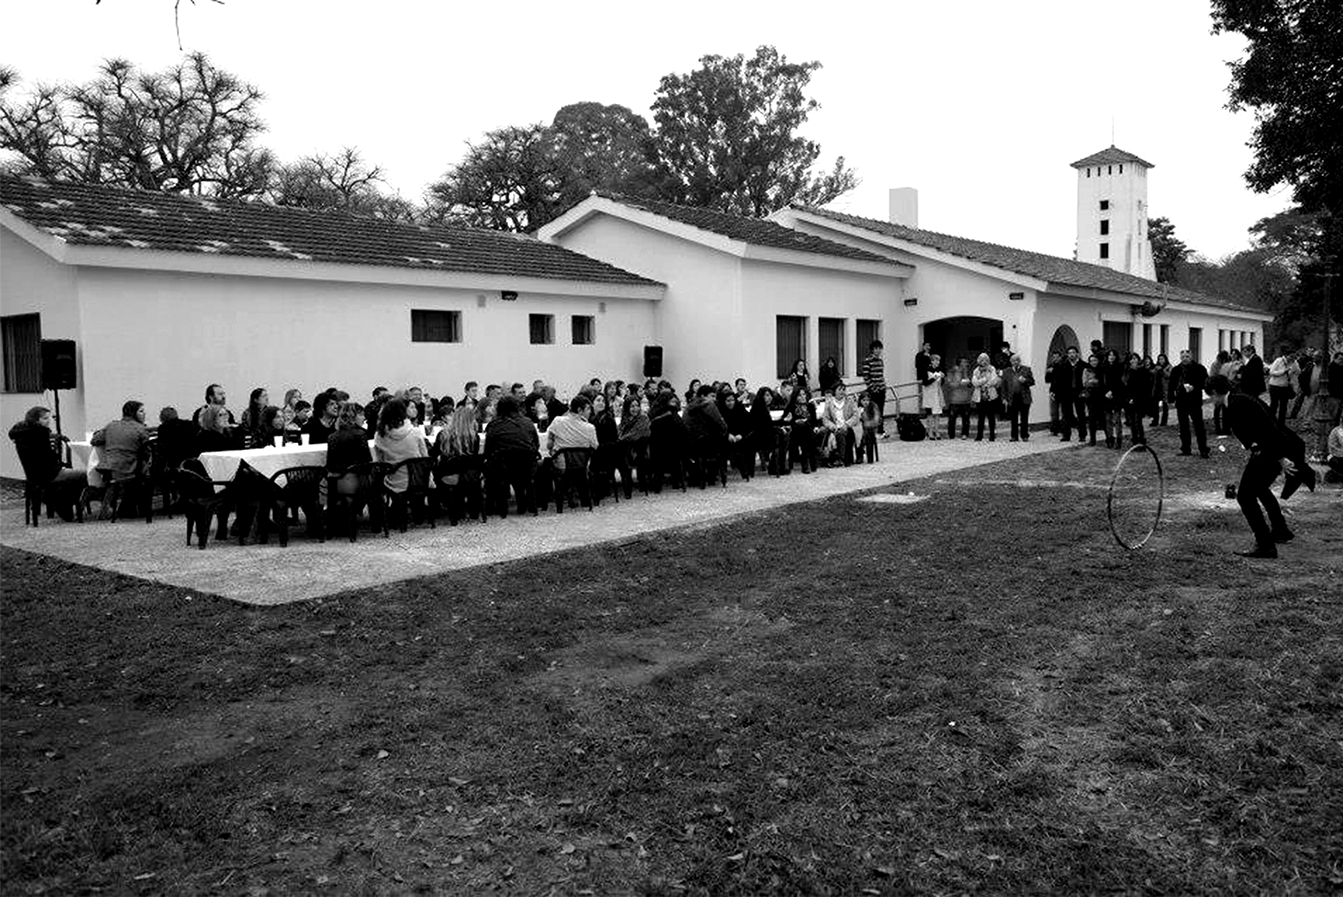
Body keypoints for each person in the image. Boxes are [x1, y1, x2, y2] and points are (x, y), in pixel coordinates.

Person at [1208, 374, 1313, 558]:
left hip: (1272, 450)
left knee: (1245, 496)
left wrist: (1280, 458)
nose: (1211, 400)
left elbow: (1267, 429)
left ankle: (1265, 545)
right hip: (1272, 448)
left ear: (1216, 392)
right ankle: (1280, 529)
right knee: (1260, 488)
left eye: (1210, 395)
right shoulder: (1239, 399)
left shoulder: (1236, 404)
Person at [8, 406, 87, 520]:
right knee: (87, 474)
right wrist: (57, 459)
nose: (49, 421)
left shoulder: (20, 433)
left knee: (75, 476)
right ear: (36, 420)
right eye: (45, 418)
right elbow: (47, 456)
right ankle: (62, 504)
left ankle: (54, 499)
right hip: (49, 473)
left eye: (48, 418)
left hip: (33, 475)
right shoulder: (40, 432)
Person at [374, 399, 429, 496]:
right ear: (404, 413)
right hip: (418, 479)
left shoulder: (379, 436)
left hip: (393, 481)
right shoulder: (415, 432)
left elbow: (380, 462)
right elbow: (425, 458)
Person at [92, 400, 152, 481]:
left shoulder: (111, 425)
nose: (144, 414)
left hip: (110, 468)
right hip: (130, 470)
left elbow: (94, 440)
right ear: (133, 413)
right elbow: (147, 452)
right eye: (141, 411)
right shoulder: (141, 429)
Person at [1168, 349, 1209, 458]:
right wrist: (1171, 399)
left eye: (1187, 357)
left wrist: (1194, 386)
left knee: (1199, 426)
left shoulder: (1199, 368)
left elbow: (1205, 382)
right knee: (1183, 427)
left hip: (1194, 401)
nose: (1185, 359)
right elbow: (1171, 385)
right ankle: (1186, 448)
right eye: (1183, 357)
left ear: (1191, 357)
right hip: (1181, 401)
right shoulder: (1176, 369)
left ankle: (1203, 449)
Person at [818, 381, 860, 464]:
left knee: (841, 433)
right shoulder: (829, 403)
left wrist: (847, 424)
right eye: (839, 389)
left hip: (847, 427)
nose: (842, 392)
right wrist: (832, 426)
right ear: (835, 391)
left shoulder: (850, 401)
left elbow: (855, 416)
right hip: (834, 427)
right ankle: (837, 457)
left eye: (844, 389)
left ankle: (841, 458)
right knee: (833, 433)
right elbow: (825, 418)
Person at [1051, 346, 1087, 442]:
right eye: (1069, 353)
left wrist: (1086, 392)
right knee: (1066, 415)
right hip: (1066, 393)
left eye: (1073, 352)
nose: (1071, 355)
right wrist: (1053, 391)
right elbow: (1056, 379)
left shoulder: (1084, 365)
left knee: (1081, 414)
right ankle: (1066, 436)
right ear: (1067, 355)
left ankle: (1082, 435)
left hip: (1080, 392)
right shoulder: (1062, 365)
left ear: (1077, 354)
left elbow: (1088, 380)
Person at [999, 353, 1034, 442]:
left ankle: (1024, 435)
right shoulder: (1006, 371)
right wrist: (1004, 398)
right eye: (1013, 361)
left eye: (1017, 360)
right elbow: (1003, 386)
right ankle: (1014, 436)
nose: (1015, 362)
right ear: (1010, 362)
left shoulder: (1026, 369)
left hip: (1024, 397)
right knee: (1013, 418)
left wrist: (1025, 380)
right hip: (1012, 397)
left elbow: (1032, 382)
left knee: (1024, 418)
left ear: (1019, 361)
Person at [785, 384, 818, 473]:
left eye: (804, 394)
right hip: (795, 433)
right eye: (800, 395)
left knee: (805, 427)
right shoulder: (791, 407)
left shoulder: (810, 406)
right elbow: (786, 421)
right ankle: (807, 462)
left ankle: (806, 462)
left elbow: (814, 421)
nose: (803, 397)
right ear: (795, 396)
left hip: (808, 431)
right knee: (802, 427)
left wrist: (806, 422)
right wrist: (794, 421)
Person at [1098, 349, 1126, 449]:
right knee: (1108, 419)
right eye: (1109, 355)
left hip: (1117, 396)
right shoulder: (1102, 367)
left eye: (1113, 355)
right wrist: (1105, 392)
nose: (1111, 356)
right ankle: (1109, 439)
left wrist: (1112, 391)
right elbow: (1101, 382)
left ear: (1116, 356)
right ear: (1107, 356)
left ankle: (1119, 439)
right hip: (1106, 396)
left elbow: (1119, 382)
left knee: (1117, 420)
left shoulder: (1120, 367)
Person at [970, 353, 1001, 442]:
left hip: (990, 396)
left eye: (986, 360)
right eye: (982, 360)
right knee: (981, 417)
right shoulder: (976, 370)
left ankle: (992, 436)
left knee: (991, 416)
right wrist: (984, 380)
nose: (984, 361)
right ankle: (979, 436)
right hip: (979, 397)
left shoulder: (992, 369)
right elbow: (974, 383)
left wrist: (985, 384)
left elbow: (994, 380)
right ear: (979, 361)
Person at [1266, 346, 1300, 426]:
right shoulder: (1279, 361)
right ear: (1286, 355)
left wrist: (1295, 366)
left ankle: (1281, 423)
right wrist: (1283, 371)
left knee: (1284, 406)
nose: (1292, 358)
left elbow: (1298, 372)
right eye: (1291, 356)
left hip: (1285, 387)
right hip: (1275, 386)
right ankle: (1271, 422)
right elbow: (1271, 372)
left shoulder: (1294, 363)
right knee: (1274, 405)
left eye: (1294, 357)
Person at [1123, 354, 1151, 445]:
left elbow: (1144, 387)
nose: (1133, 361)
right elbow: (1125, 387)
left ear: (1138, 360)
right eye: (1131, 359)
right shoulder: (1127, 372)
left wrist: (1134, 398)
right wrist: (1128, 398)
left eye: (1135, 358)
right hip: (1128, 400)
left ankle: (1141, 440)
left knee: (1138, 421)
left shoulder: (1143, 371)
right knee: (1131, 422)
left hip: (1139, 400)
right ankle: (1134, 440)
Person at [861, 340, 887, 437]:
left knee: (881, 411)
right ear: (872, 349)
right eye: (876, 348)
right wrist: (873, 388)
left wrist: (884, 386)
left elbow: (881, 375)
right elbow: (866, 377)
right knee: (873, 411)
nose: (878, 350)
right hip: (873, 391)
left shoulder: (880, 361)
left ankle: (881, 431)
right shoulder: (867, 361)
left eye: (879, 348)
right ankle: (873, 432)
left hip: (881, 390)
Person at [944, 357, 973, 439]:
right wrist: (960, 383)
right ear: (959, 363)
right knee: (952, 419)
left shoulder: (968, 372)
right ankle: (951, 434)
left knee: (966, 419)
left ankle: (965, 434)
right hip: (954, 399)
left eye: (966, 362)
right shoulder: (952, 372)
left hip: (966, 399)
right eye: (964, 362)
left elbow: (971, 384)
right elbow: (950, 384)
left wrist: (969, 382)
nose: (966, 364)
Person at [1081, 354, 1104, 446]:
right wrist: (1094, 381)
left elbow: (1103, 383)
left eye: (1095, 360)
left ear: (1098, 361)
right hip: (1090, 396)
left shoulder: (1102, 369)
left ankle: (1109, 438)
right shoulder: (1086, 370)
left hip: (1101, 395)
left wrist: (1094, 381)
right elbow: (1085, 383)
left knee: (1103, 417)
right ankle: (1092, 439)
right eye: (1091, 361)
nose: (1093, 362)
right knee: (1092, 418)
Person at [922, 354, 945, 439]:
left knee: (937, 414)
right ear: (931, 361)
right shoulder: (926, 370)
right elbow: (925, 383)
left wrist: (942, 377)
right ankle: (930, 432)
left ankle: (937, 431)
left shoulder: (939, 370)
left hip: (937, 394)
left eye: (939, 360)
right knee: (930, 414)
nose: (938, 362)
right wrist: (934, 378)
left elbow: (941, 383)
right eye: (936, 360)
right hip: (929, 395)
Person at [1043, 350, 1063, 436]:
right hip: (1053, 391)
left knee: (1063, 411)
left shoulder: (1063, 365)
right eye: (1054, 357)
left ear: (1060, 357)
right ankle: (1054, 429)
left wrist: (1054, 371)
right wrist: (1048, 372)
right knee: (1053, 412)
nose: (1055, 359)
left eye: (1057, 357)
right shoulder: (1050, 366)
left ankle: (1063, 428)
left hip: (1063, 391)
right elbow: (1047, 380)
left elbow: (1061, 377)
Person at [1151, 354, 1171, 427]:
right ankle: (1155, 421)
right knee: (1155, 406)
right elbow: (1152, 373)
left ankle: (1164, 422)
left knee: (1165, 406)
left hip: (1165, 389)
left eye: (1162, 359)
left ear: (1165, 359)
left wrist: (1162, 370)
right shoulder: (1157, 367)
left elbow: (1169, 375)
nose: (1161, 361)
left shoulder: (1169, 367)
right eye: (1159, 359)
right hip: (1157, 388)